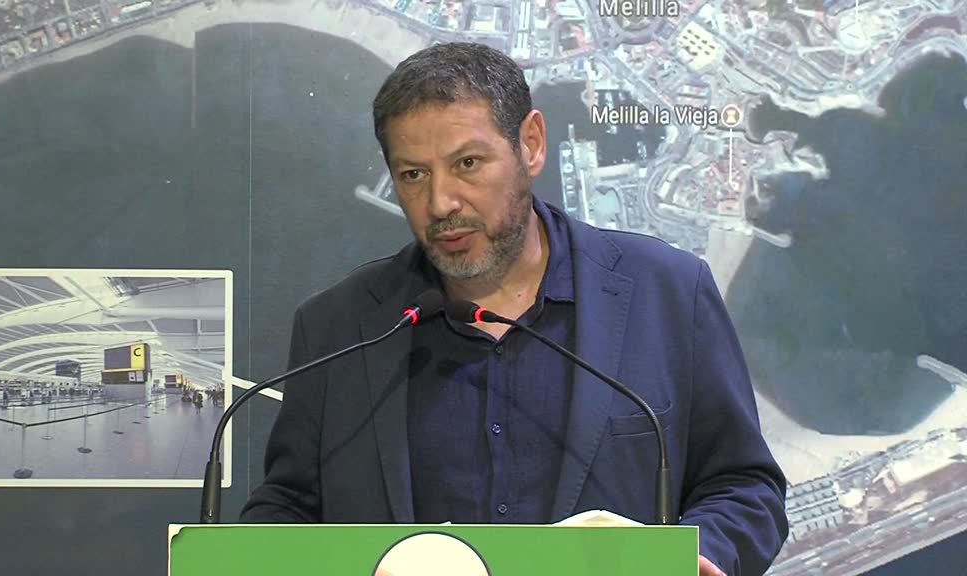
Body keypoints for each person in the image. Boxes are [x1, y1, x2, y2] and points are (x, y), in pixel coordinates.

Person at [241, 42, 788, 576]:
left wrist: (705, 554)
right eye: (413, 175)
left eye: (468, 163)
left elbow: (743, 485)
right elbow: (288, 508)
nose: (441, 203)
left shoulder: (668, 293)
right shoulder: (338, 327)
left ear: (531, 144)